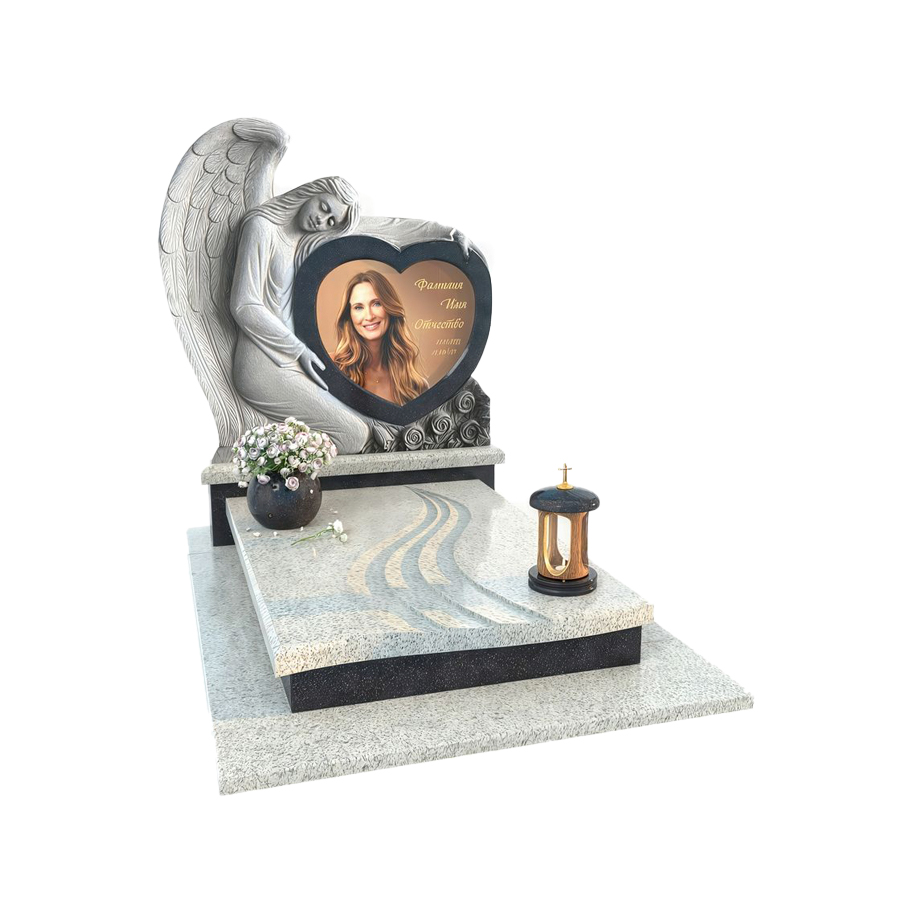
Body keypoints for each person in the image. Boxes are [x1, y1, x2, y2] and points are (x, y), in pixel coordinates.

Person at [229, 177, 374, 453]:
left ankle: (278, 457)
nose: (322, 220)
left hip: (294, 361)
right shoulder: (261, 227)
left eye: (331, 222)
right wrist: (298, 349)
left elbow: (376, 228)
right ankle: (267, 460)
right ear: (311, 191)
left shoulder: (303, 241)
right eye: (324, 207)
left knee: (368, 415)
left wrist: (444, 234)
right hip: (264, 362)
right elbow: (244, 305)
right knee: (354, 435)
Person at [333, 271, 429, 405]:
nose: (369, 316)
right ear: (349, 316)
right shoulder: (332, 366)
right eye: (358, 307)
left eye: (376, 304)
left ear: (390, 308)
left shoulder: (415, 385)